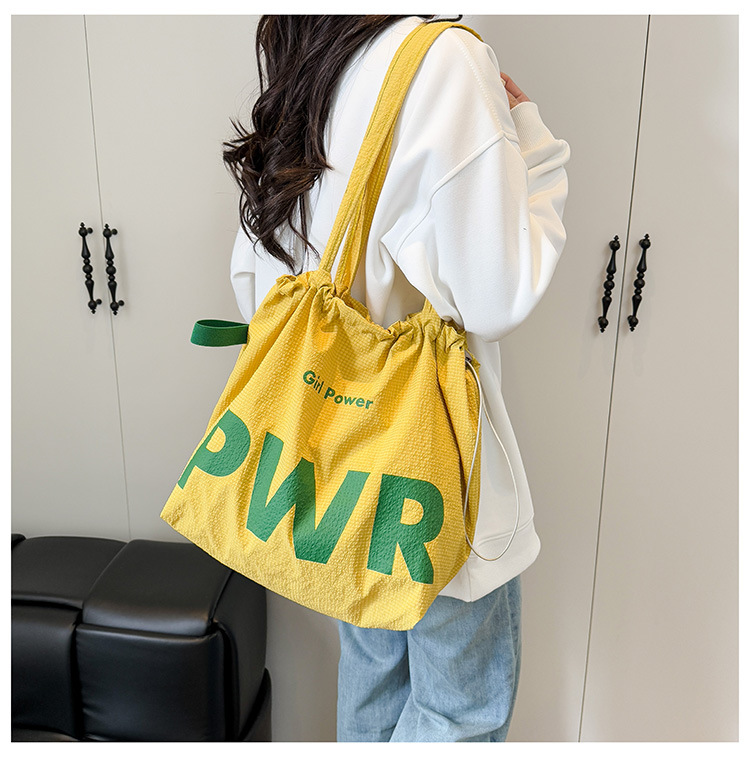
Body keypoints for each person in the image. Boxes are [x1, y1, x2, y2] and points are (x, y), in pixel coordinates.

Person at [223, 14, 570, 743]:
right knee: (460, 708)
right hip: (423, 466)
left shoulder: (315, 53)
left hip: (336, 467)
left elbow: (256, 281)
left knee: (372, 670)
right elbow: (497, 293)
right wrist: (535, 146)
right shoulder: (445, 58)